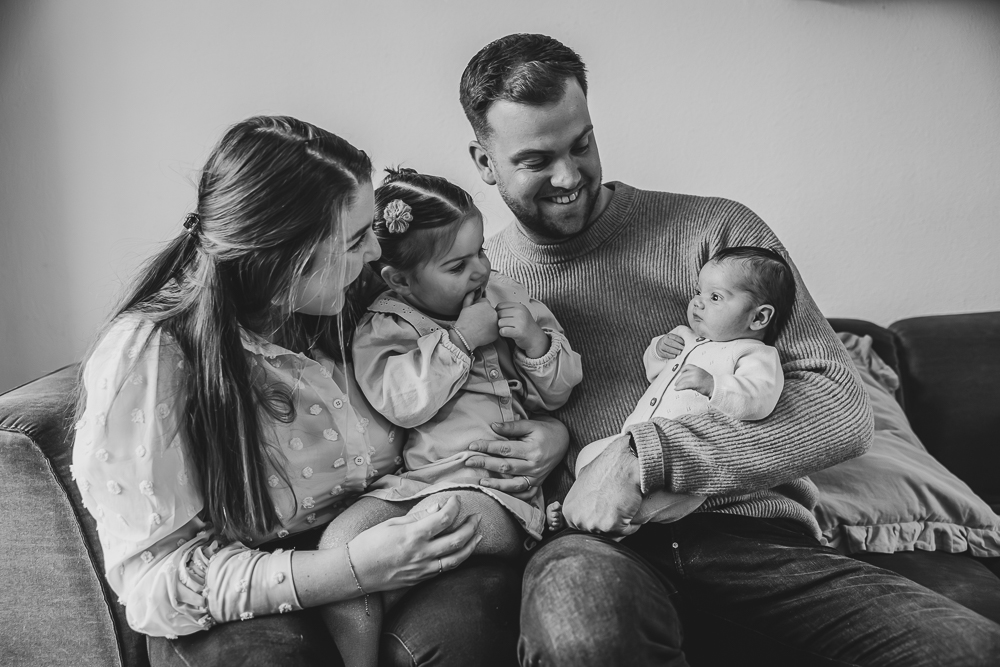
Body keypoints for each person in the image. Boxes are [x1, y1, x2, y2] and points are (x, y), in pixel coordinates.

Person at [459, 33, 1000, 666]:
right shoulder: (472, 279)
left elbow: (840, 407)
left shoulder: (717, 234)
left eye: (582, 144)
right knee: (586, 635)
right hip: (595, 546)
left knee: (972, 650)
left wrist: (649, 456)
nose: (569, 176)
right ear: (483, 160)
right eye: (536, 159)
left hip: (757, 536)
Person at [70, 116, 567, 667]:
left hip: (389, 522)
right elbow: (155, 587)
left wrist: (553, 433)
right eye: (355, 239)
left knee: (465, 630)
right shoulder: (153, 355)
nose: (377, 253)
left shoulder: (356, 303)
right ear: (281, 255)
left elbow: (484, 377)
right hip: (255, 583)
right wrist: (353, 569)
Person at [316, 167, 582, 667]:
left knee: (430, 525)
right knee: (342, 543)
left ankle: (381, 598)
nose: (480, 270)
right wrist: (459, 341)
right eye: (458, 266)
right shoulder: (384, 325)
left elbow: (560, 391)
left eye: (481, 251)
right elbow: (401, 401)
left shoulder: (506, 296)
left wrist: (534, 342)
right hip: (414, 483)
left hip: (498, 493)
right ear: (400, 279)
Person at [547, 245, 792, 532]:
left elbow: (758, 398)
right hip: (630, 443)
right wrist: (659, 351)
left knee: (659, 498)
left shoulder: (753, 354)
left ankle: (618, 527)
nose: (698, 303)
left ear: (759, 318)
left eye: (715, 297)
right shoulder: (684, 337)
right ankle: (576, 511)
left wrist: (714, 385)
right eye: (698, 293)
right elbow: (655, 374)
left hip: (682, 465)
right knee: (590, 456)